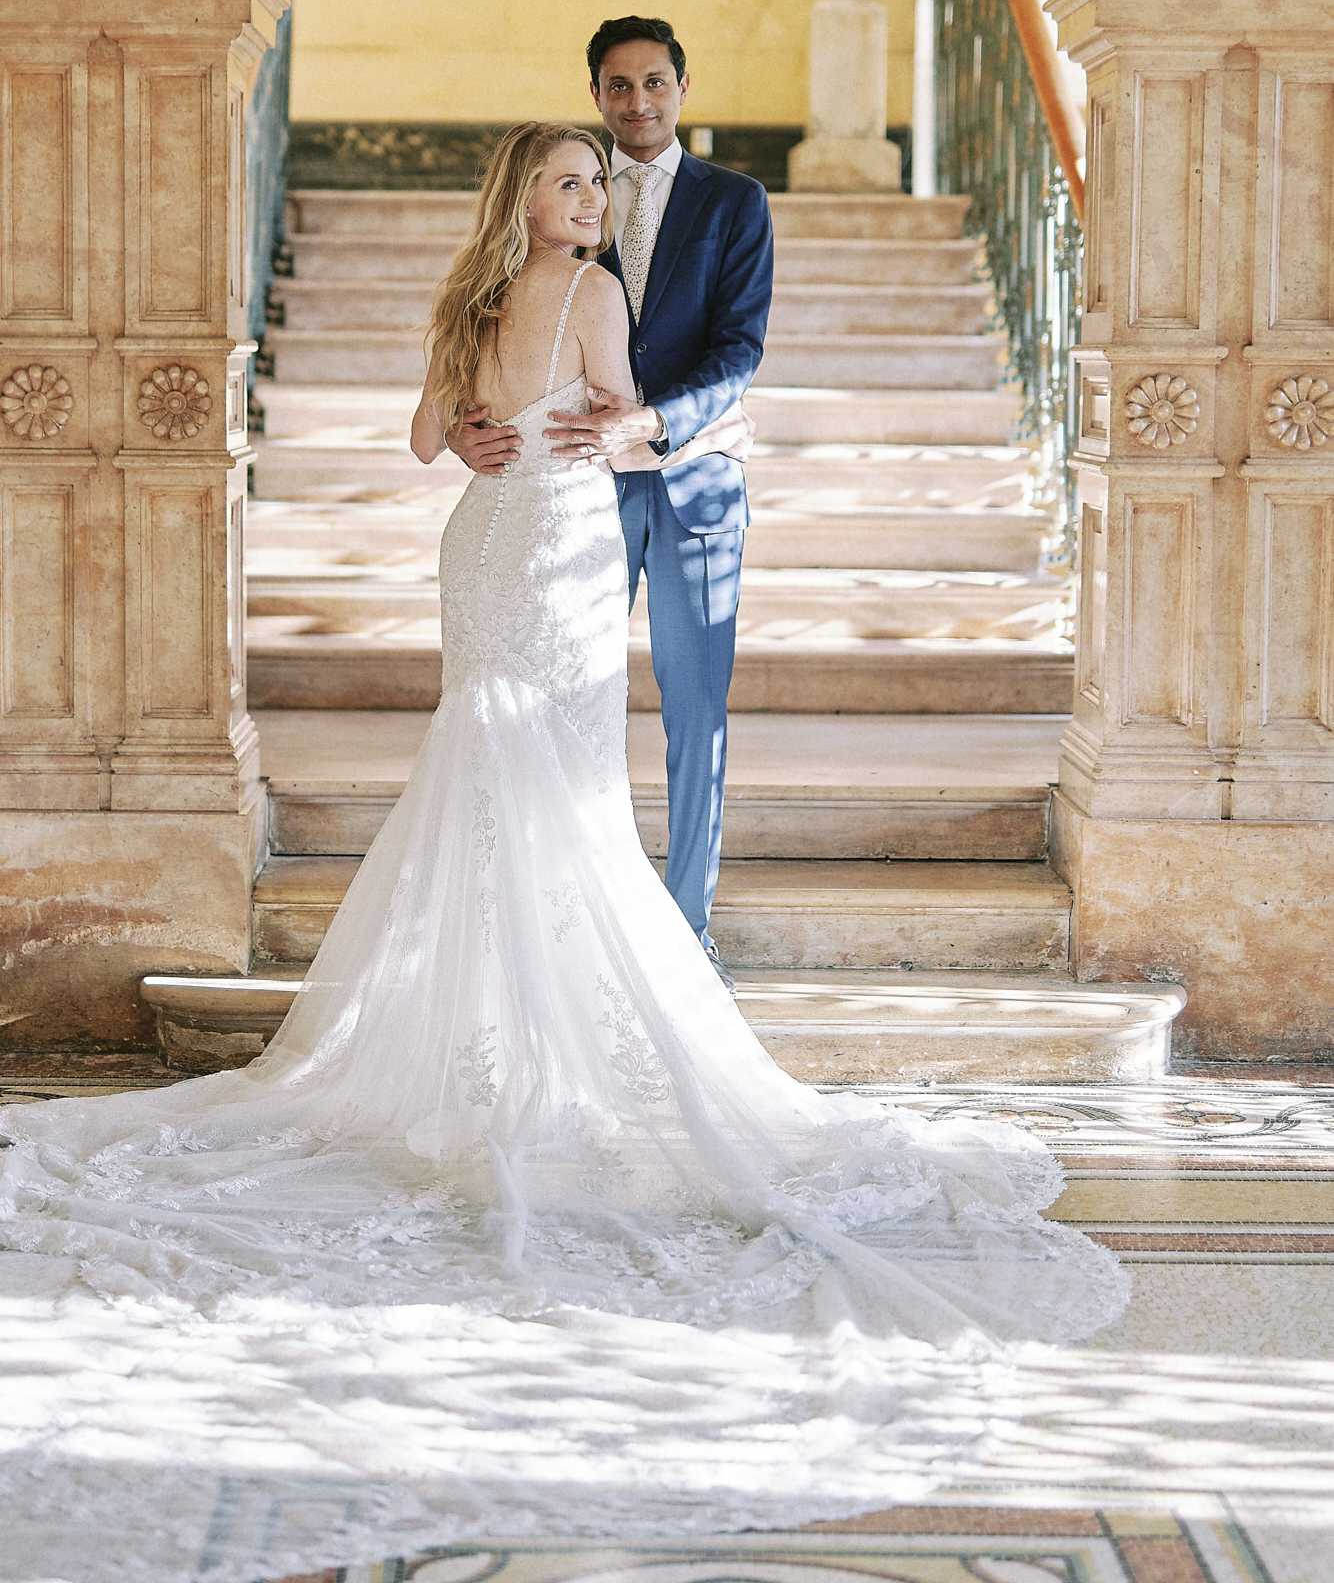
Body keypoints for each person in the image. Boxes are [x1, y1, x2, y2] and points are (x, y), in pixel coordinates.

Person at [0, 123, 1127, 1580]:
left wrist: (561, 433)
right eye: (569, 182)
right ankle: (505, 1049)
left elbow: (527, 430)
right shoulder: (532, 301)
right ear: (523, 199)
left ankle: (517, 1044)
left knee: (523, 776)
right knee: (520, 774)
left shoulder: (528, 298)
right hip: (520, 544)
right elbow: (519, 433)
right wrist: (574, 430)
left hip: (525, 543)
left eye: (597, 182)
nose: (589, 201)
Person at [447, 17, 771, 985]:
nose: (638, 101)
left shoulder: (733, 201)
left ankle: (683, 925)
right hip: (570, 494)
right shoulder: (556, 198)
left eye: (655, 82)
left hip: (688, 480)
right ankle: (556, 914)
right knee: (563, 697)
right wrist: (468, 424)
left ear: (681, 85)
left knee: (692, 704)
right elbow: (485, 343)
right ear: (596, 92)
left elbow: (739, 348)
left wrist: (655, 424)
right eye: (619, 85)